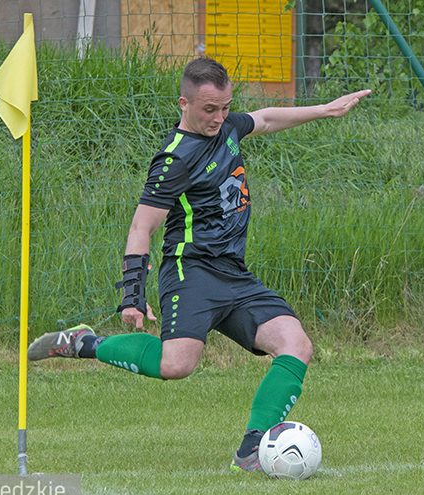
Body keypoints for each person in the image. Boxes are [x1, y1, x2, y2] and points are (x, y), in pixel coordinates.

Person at [28, 57, 370, 472]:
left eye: (226, 107)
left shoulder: (226, 127)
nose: (220, 117)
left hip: (233, 273)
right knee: (176, 365)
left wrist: (325, 109)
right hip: (191, 272)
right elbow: (142, 227)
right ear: (184, 103)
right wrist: (132, 296)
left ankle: (251, 450)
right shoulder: (175, 160)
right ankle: (85, 343)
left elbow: (263, 119)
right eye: (210, 109)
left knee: (296, 344)